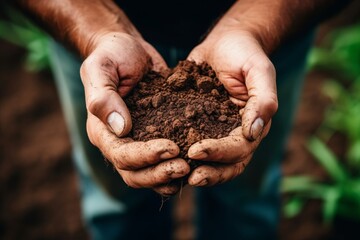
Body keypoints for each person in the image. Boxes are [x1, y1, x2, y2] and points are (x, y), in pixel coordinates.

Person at [12, 0, 352, 239]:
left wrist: (252, 27)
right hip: (91, 40)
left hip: (268, 36)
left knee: (246, 197)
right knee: (115, 200)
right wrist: (96, 33)